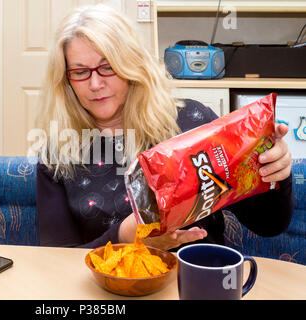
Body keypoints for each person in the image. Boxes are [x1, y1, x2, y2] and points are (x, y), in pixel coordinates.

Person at [35, 5, 293, 250]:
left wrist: (276, 171)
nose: (95, 84)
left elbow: (269, 224)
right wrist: (124, 237)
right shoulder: (58, 153)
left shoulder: (191, 121)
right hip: (108, 292)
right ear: (65, 80)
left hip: (198, 284)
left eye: (108, 67)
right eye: (80, 72)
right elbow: (58, 261)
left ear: (132, 66)